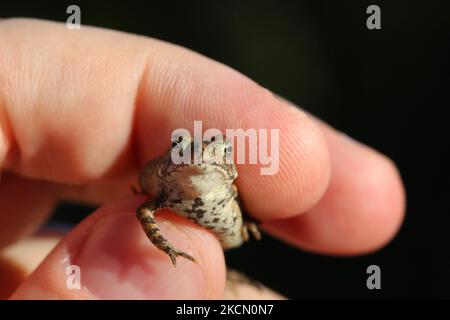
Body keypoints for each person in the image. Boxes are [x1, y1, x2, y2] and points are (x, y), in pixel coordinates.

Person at [0, 19, 405, 299]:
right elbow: (143, 215)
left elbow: (235, 195)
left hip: (230, 224)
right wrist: (164, 250)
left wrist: (246, 218)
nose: (196, 154)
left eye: (210, 148)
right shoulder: (166, 194)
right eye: (185, 148)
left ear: (225, 161)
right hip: (196, 220)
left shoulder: (223, 179)